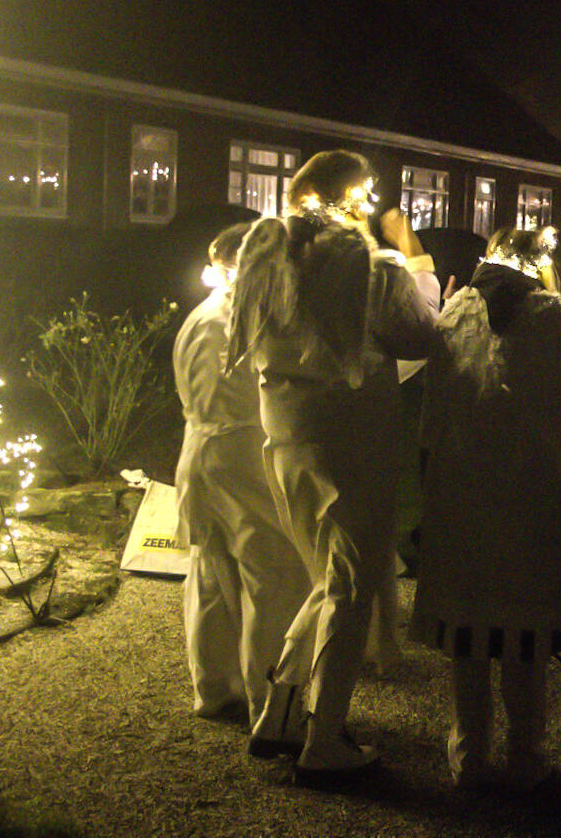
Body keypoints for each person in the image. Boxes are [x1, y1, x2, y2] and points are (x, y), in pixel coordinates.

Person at [230, 150, 440, 781]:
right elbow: (419, 337)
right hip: (351, 439)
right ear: (350, 196)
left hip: (285, 436)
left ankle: (280, 712)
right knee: (351, 583)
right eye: (366, 191)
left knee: (328, 579)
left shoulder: (266, 258)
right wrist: (431, 293)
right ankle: (325, 739)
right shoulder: (365, 267)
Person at [409, 227, 561, 790]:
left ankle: (468, 753)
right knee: (524, 628)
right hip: (532, 493)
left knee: (469, 625)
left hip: (463, 488)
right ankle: (526, 755)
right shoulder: (554, 318)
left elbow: (433, 409)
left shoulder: (456, 310)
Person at [173, 223, 311, 725]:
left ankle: (214, 688)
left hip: (198, 451)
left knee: (210, 573)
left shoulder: (201, 315)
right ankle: (269, 707)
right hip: (240, 456)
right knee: (271, 579)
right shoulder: (246, 321)